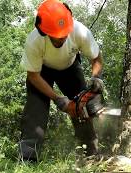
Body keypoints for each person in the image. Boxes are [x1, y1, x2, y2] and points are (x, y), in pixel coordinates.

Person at [18, 0, 104, 161]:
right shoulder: (34, 41)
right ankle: (28, 158)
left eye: (64, 34)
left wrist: (96, 78)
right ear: (44, 31)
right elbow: (33, 75)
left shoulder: (80, 31)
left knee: (81, 108)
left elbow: (96, 58)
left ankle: (91, 155)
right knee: (35, 111)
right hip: (41, 72)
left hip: (70, 68)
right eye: (57, 36)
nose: (62, 38)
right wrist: (58, 99)